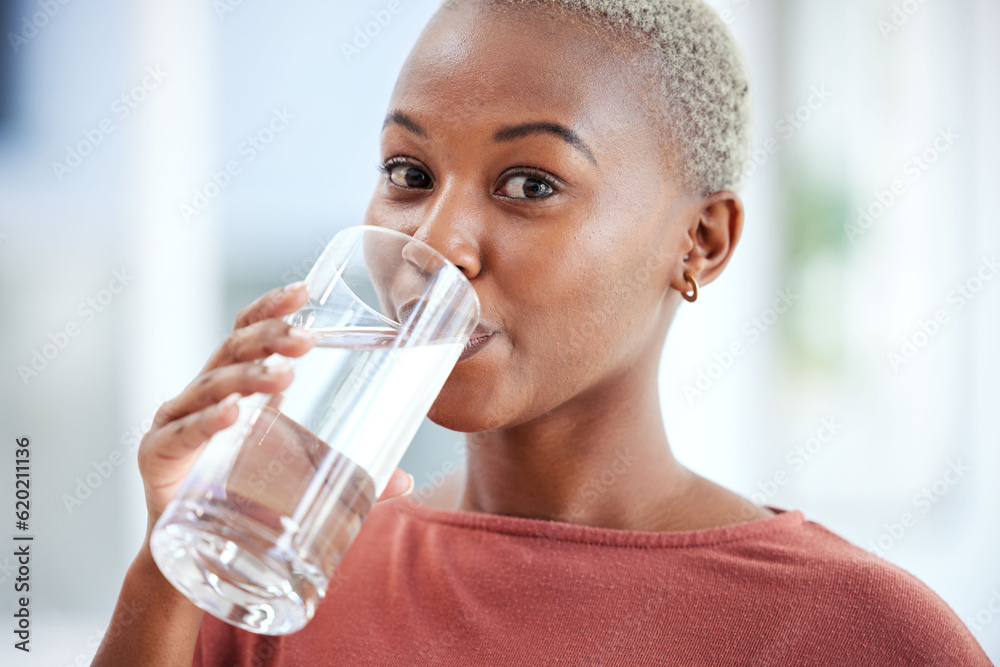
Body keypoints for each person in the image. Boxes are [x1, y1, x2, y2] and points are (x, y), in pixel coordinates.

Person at [95, 0, 993, 665]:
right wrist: (165, 571)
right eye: (409, 171)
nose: (434, 244)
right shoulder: (275, 583)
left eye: (529, 184)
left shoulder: (863, 634)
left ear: (701, 241)